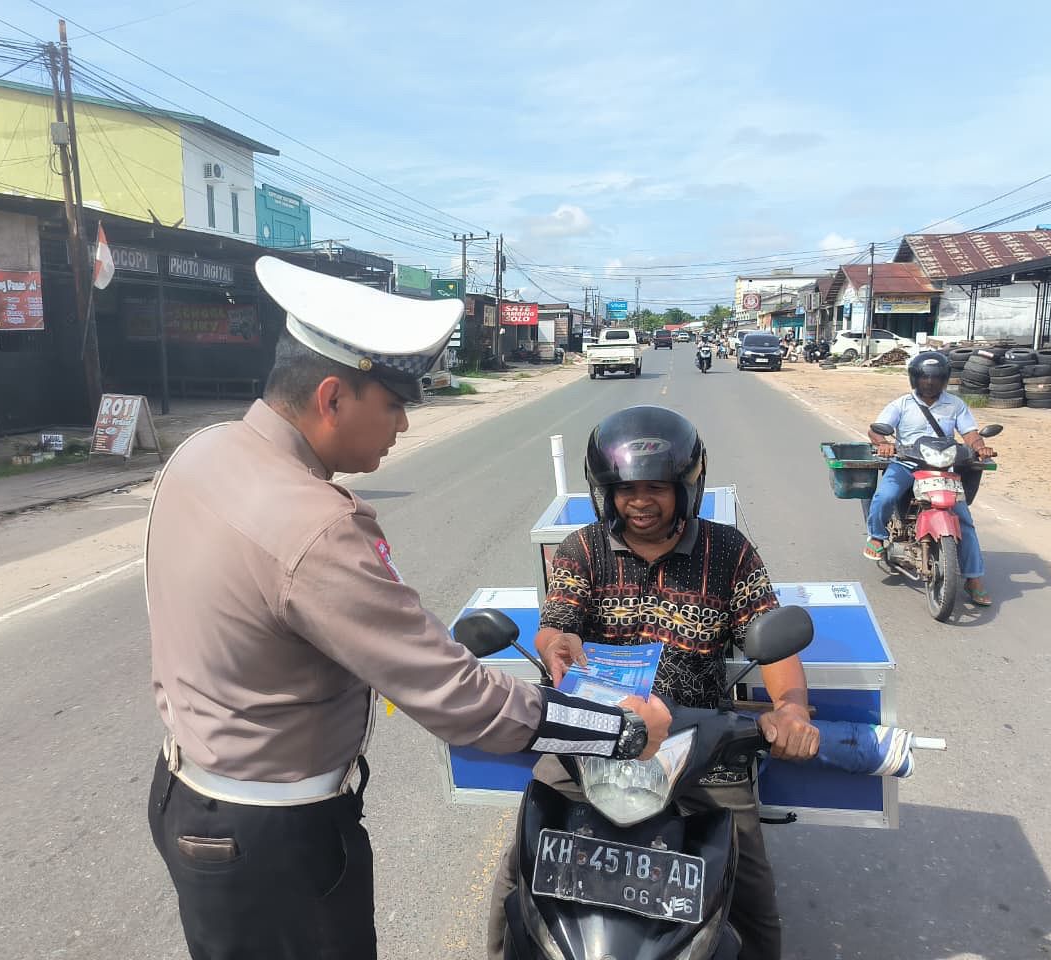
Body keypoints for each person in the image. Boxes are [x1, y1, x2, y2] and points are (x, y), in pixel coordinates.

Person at [144, 256, 673, 960]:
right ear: (332, 397)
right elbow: (455, 696)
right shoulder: (314, 525)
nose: (401, 425)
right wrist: (616, 731)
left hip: (189, 796)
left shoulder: (203, 452)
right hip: (273, 839)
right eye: (393, 404)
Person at [487, 405, 819, 960]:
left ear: (686, 488)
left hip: (702, 745)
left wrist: (793, 710)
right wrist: (555, 645)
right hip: (594, 741)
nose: (640, 502)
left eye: (656, 488)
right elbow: (556, 625)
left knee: (750, 889)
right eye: (626, 489)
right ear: (606, 492)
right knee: (520, 872)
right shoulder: (582, 550)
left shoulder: (729, 552)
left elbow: (771, 639)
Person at [864, 351, 997, 605]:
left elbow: (969, 433)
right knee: (886, 495)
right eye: (925, 378)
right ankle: (877, 536)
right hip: (907, 464)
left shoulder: (955, 405)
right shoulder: (901, 404)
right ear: (915, 379)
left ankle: (973, 578)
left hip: (942, 468)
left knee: (964, 519)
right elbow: (875, 430)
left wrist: (980, 447)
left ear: (944, 379)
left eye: (935, 378)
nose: (930, 383)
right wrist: (883, 444)